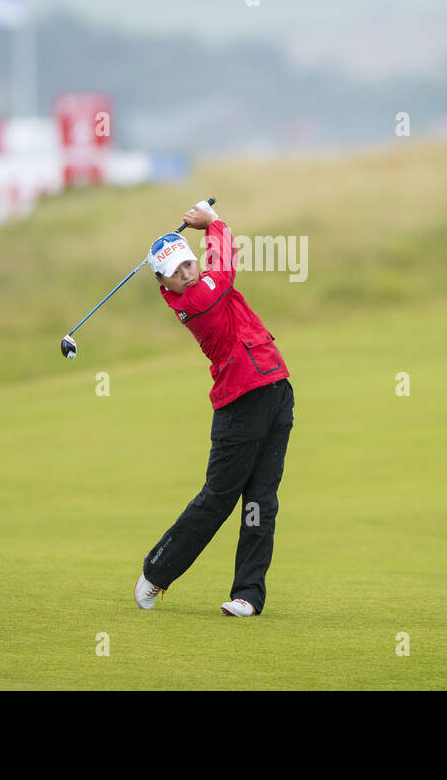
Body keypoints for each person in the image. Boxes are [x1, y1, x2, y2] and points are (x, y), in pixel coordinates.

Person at [134, 201, 294, 617]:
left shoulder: (204, 285)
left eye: (188, 264)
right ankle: (156, 572)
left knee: (262, 501)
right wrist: (214, 224)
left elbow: (217, 268)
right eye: (176, 271)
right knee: (218, 499)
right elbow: (224, 264)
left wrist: (208, 229)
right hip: (239, 405)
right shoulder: (195, 301)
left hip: (275, 389)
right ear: (164, 284)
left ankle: (248, 596)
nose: (187, 273)